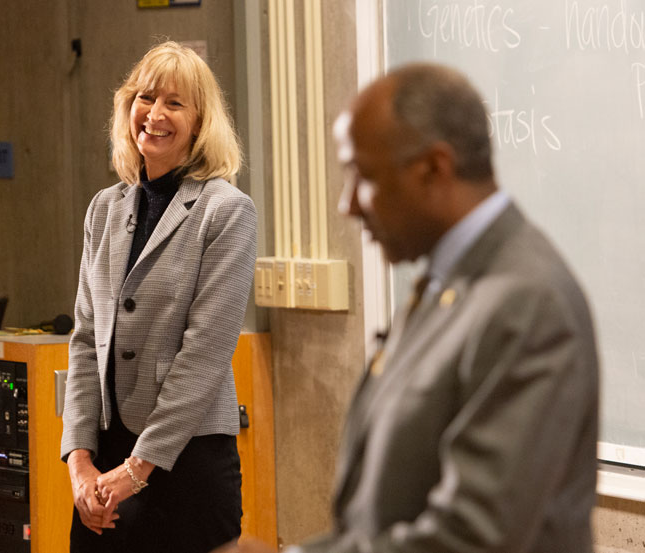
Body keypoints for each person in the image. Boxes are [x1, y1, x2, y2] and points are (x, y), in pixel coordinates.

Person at [219, 63, 599, 553]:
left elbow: (474, 538)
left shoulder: (525, 304)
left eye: (364, 175)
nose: (348, 204)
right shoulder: (445, 282)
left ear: (434, 168)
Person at [61, 40, 257, 553]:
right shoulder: (103, 209)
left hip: (187, 462)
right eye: (145, 97)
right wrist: (80, 465)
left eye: (175, 102)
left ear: (199, 122)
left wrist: (137, 470)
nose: (155, 114)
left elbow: (205, 356)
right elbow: (85, 342)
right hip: (104, 468)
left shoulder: (227, 211)